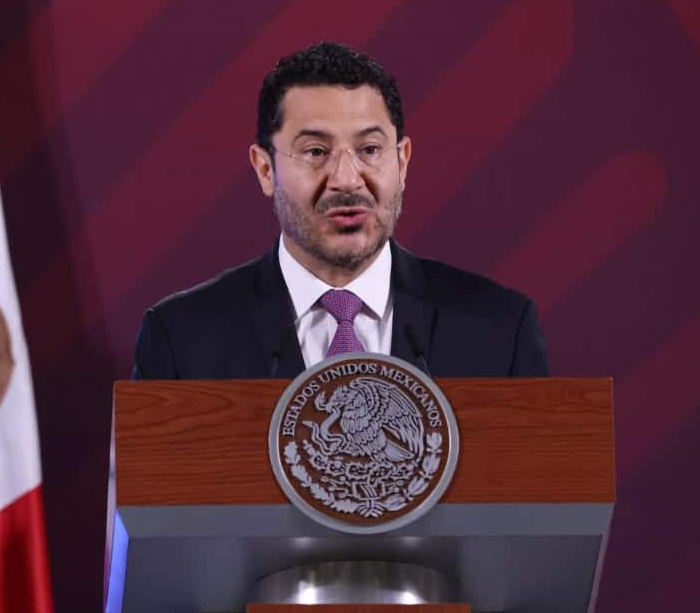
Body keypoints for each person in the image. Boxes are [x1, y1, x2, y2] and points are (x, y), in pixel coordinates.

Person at [132, 42, 548, 379]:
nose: (347, 180)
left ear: (402, 161)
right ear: (265, 169)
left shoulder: (501, 328)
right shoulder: (180, 338)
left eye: (370, 149)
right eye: (316, 151)